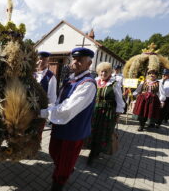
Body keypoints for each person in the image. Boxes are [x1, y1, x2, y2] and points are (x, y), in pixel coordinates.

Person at [40, 47, 96, 191]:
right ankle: (66, 169)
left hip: (73, 131)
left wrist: (44, 113)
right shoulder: (70, 80)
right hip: (60, 126)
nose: (75, 62)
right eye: (74, 59)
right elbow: (58, 102)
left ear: (88, 64)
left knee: (64, 161)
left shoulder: (87, 84)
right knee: (54, 151)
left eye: (80, 60)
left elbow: (67, 109)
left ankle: (58, 184)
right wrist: (50, 110)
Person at [87, 62, 125, 165]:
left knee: (103, 132)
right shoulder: (95, 81)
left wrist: (118, 114)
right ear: (98, 72)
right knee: (93, 131)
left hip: (108, 112)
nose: (103, 73)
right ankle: (93, 150)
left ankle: (95, 152)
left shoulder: (114, 84)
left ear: (110, 72)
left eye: (106, 72)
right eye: (101, 71)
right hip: (95, 111)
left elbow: (119, 100)